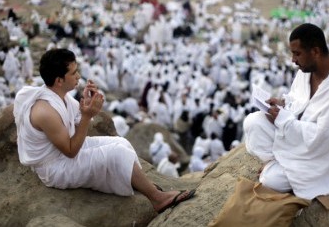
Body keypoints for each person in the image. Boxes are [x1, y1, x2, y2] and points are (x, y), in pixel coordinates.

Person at [13, 49, 195, 214]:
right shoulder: (45, 112)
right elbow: (70, 151)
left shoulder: (62, 97)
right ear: (59, 80)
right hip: (55, 167)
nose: (78, 76)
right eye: (73, 72)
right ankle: (157, 198)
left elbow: (79, 120)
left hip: (64, 154)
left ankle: (142, 185)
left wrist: (87, 105)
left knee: (121, 143)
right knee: (117, 153)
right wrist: (86, 116)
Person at [243, 23, 329, 200]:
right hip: (299, 136)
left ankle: (281, 164)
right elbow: (297, 100)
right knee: (252, 123)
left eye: (297, 53)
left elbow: (324, 138)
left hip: (324, 155)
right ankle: (284, 162)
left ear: (315, 51)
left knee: (270, 180)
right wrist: (282, 104)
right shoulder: (307, 70)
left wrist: (283, 120)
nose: (293, 60)